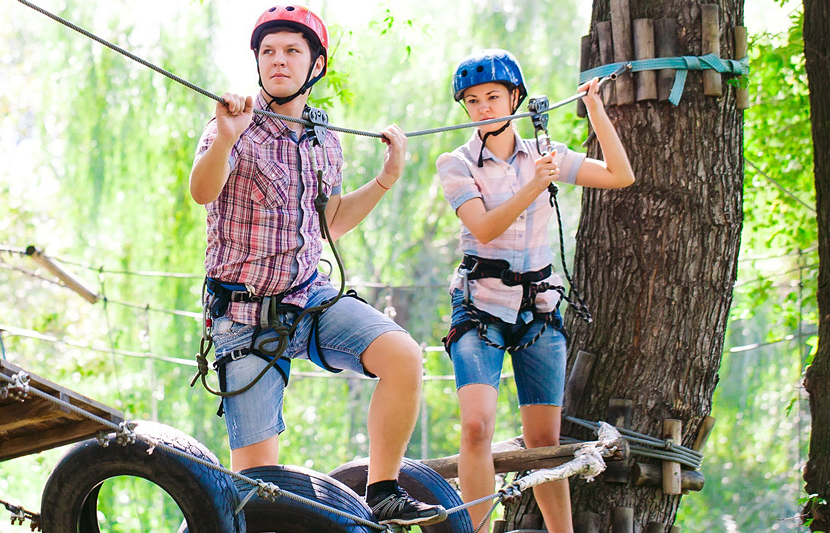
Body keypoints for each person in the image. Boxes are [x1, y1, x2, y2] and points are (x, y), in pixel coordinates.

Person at [187, 5, 444, 526]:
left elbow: (334, 222)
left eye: (291, 51)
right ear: (257, 62)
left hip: (310, 297)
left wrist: (387, 178)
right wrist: (227, 136)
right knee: (262, 487)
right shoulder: (230, 124)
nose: (277, 60)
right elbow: (201, 190)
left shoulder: (325, 139)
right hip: (245, 316)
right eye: (268, 52)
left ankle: (384, 491)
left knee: (403, 357)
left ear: (316, 64)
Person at [436, 49, 635, 532]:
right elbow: (483, 228)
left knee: (543, 438)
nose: (484, 108)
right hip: (480, 307)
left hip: (538, 308)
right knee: (476, 426)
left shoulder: (547, 154)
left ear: (516, 99)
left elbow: (619, 175)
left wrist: (596, 113)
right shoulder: (456, 163)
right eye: (474, 100)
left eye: (493, 97)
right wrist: (533, 186)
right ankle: (476, 530)